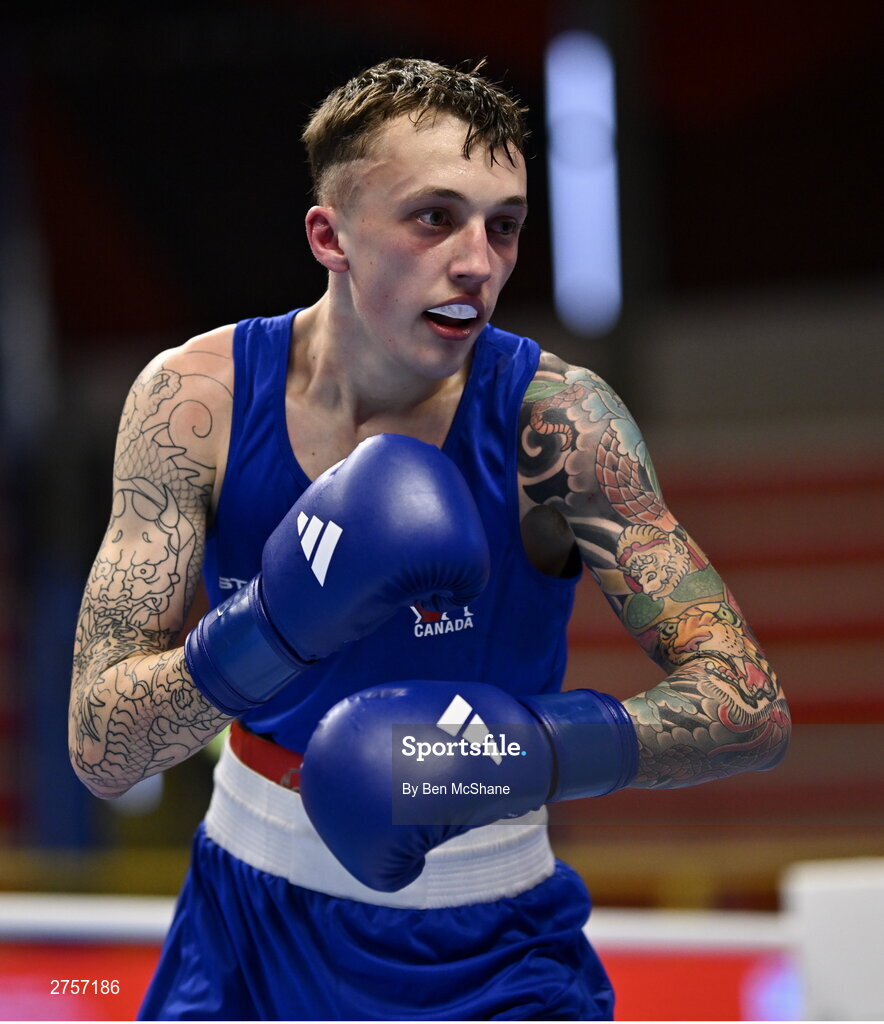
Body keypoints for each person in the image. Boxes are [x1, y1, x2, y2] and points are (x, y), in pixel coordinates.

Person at [68, 57, 790, 1021]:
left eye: (504, 224)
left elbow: (749, 705)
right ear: (330, 235)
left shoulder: (556, 425)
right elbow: (101, 746)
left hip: (493, 949)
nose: (478, 261)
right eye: (434, 216)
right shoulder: (194, 402)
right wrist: (275, 627)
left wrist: (525, 750)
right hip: (241, 927)